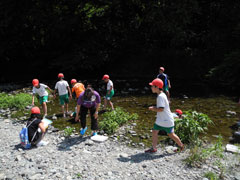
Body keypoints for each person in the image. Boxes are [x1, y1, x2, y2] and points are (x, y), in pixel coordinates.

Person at [145, 78, 184, 153]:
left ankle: (181, 146)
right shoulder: (162, 94)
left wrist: (153, 108)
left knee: (171, 134)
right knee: (155, 131)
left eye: (152, 86)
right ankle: (154, 148)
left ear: (156, 87)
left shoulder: (160, 97)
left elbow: (161, 109)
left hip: (166, 120)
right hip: (162, 120)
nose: (151, 87)